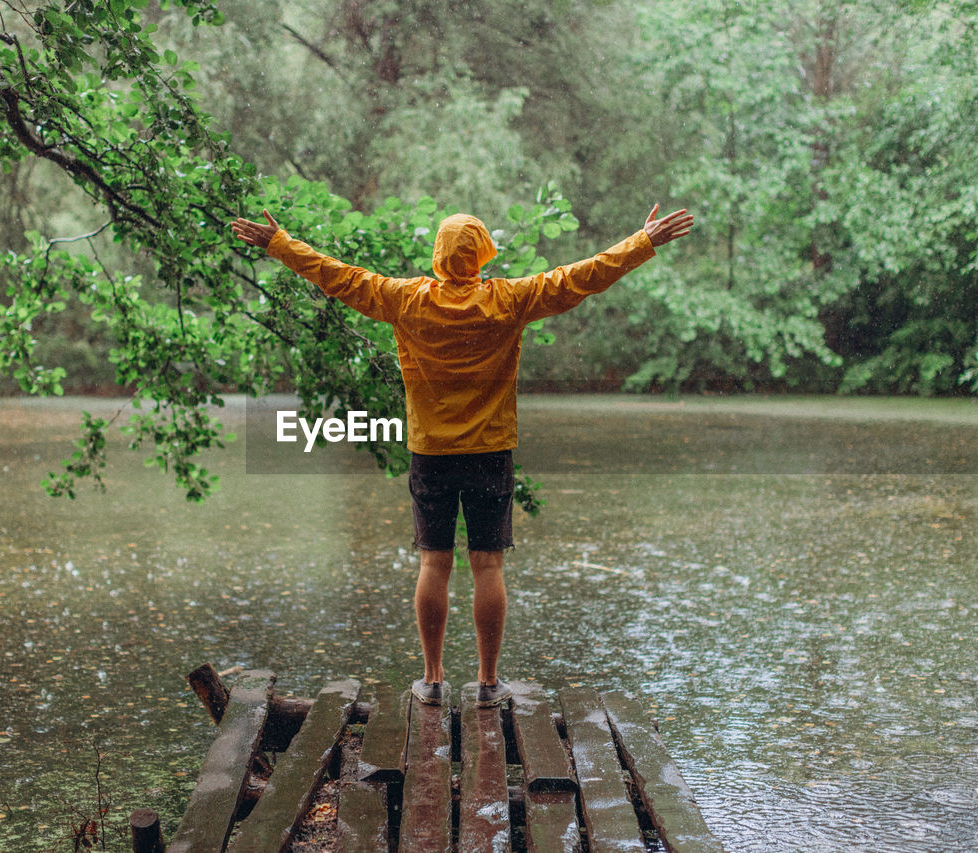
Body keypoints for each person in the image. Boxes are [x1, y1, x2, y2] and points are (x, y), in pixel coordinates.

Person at [231, 202, 692, 707]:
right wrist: (643, 241)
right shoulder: (510, 298)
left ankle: (432, 681)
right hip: (490, 451)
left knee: (434, 563)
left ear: (437, 255)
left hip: (431, 453)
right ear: (482, 255)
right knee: (488, 566)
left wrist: (279, 243)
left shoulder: (405, 299)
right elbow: (582, 278)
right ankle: (489, 683)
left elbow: (338, 277)